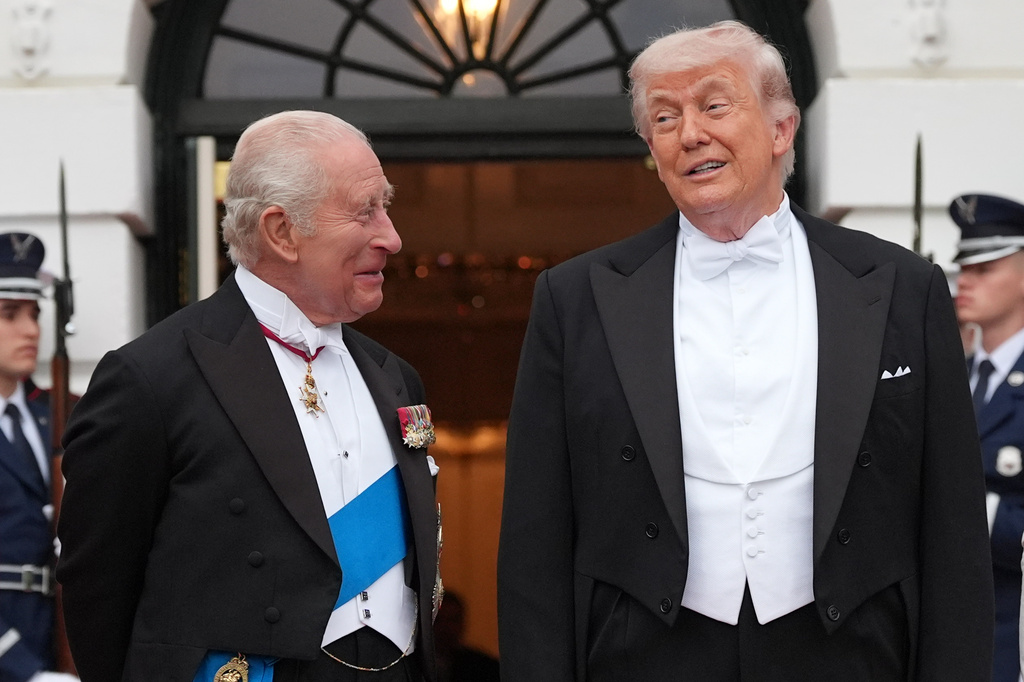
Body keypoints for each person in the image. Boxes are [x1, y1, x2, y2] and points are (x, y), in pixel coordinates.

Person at [498, 20, 994, 682]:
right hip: (642, 655)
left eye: (713, 104)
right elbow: (536, 534)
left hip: (851, 653)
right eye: (664, 118)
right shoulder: (575, 297)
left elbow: (954, 527)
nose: (689, 133)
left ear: (782, 127)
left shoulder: (903, 288)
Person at [56, 111, 442, 682]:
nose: (391, 236)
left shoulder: (395, 377)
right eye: (365, 211)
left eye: (385, 207)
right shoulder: (151, 379)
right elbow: (98, 591)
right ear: (280, 231)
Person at [950, 192, 1024, 682]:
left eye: (986, 269)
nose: (966, 282)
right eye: (964, 268)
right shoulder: (959, 376)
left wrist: (955, 506)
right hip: (955, 640)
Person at [0, 233, 78, 682]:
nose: (31, 330)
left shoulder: (59, 416)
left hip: (56, 644)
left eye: (34, 314)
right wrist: (22, 670)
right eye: (10, 315)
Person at [432, 591, 499, 682]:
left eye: (452, 620)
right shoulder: (410, 666)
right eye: (439, 619)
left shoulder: (483, 667)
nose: (446, 627)